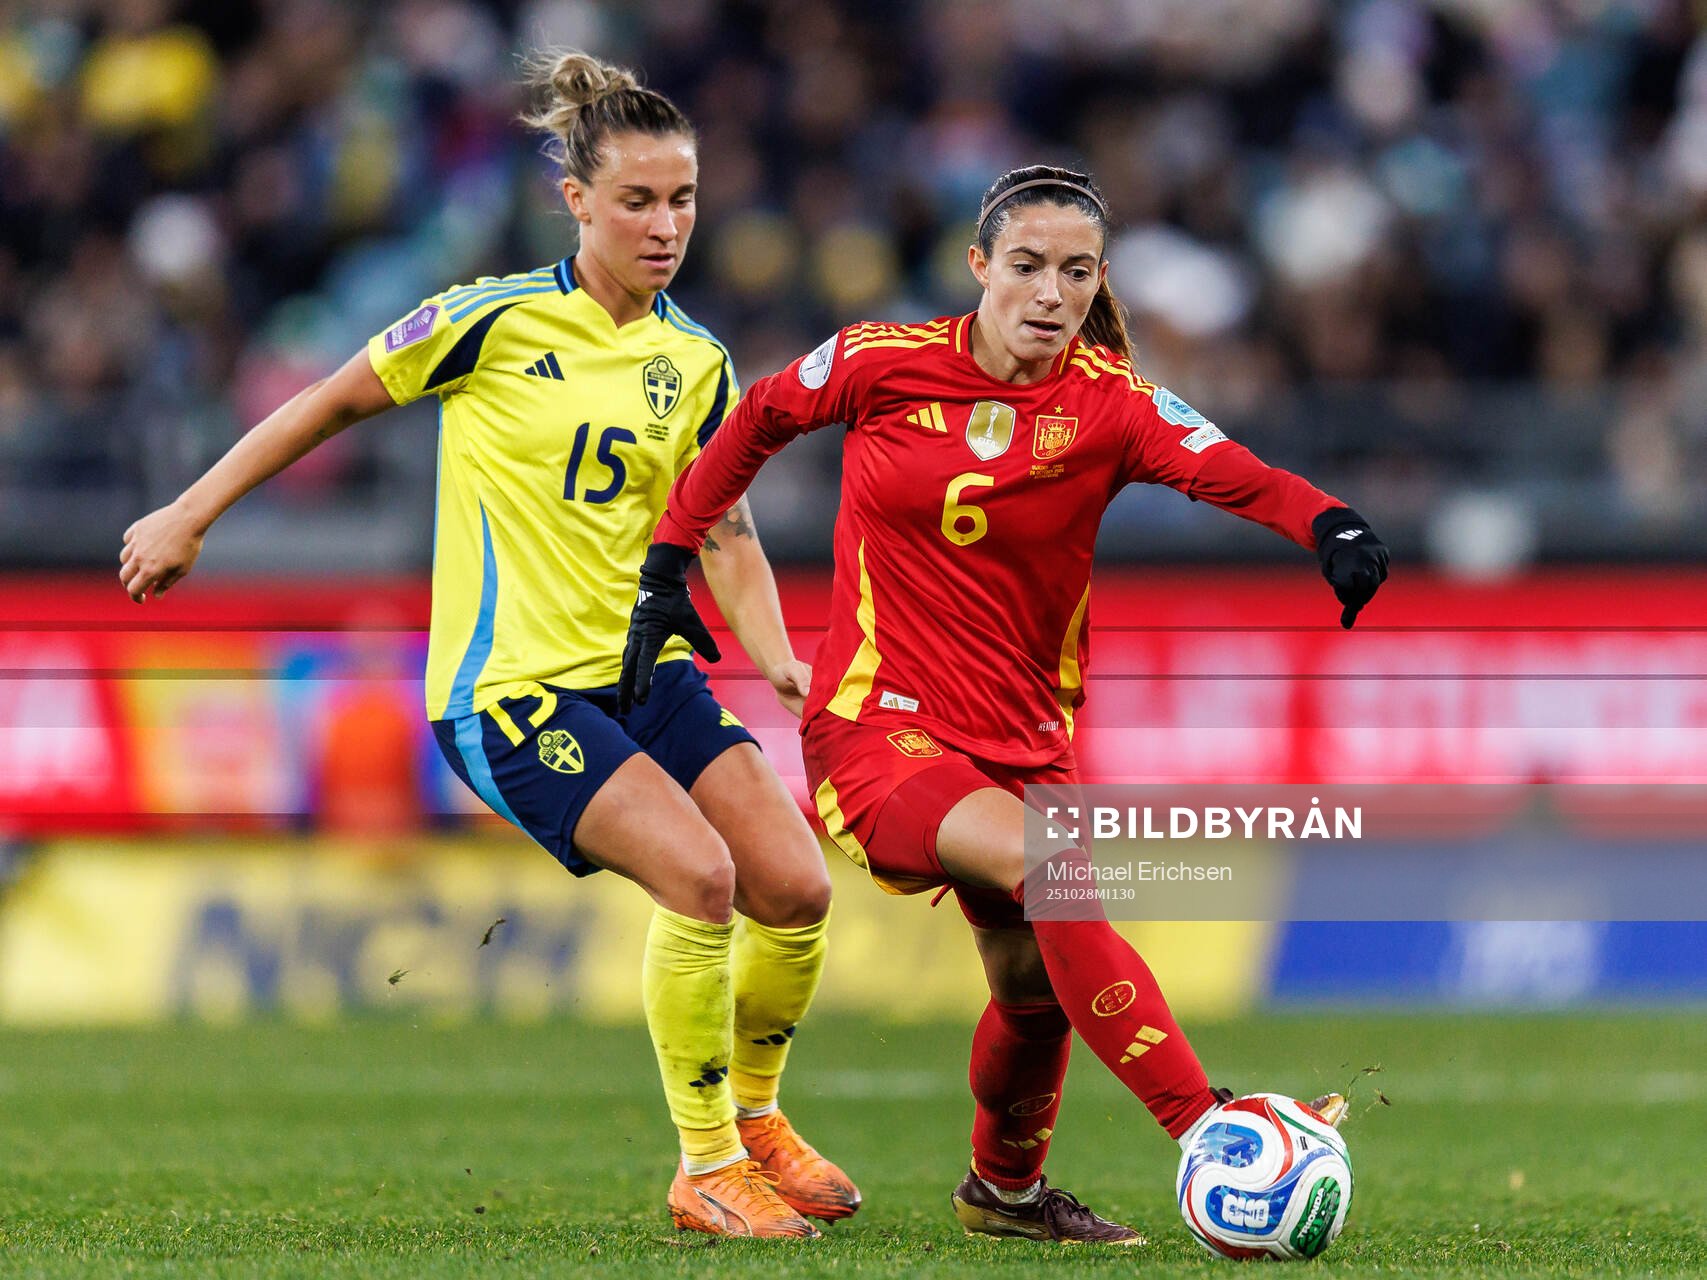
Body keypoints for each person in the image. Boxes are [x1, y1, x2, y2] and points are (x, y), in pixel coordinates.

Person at [119, 50, 859, 1241]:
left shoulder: (699, 360)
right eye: (637, 201)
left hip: (645, 673)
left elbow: (725, 528)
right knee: (704, 878)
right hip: (511, 689)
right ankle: (706, 1163)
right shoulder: (488, 319)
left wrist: (776, 656)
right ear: (575, 198)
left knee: (796, 884)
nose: (665, 225)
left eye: (682, 200)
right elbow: (329, 400)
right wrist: (190, 511)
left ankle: (760, 1120)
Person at [622, 164, 1388, 1243]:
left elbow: (1234, 470)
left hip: (1026, 741)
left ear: (1098, 281)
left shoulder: (1110, 403)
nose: (1050, 292)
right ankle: (1209, 1125)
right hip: (878, 729)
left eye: (1076, 272)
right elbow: (752, 421)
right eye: (1026, 266)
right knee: (1054, 863)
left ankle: (1006, 1191)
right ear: (979, 266)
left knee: (1033, 988)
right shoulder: (880, 363)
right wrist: (668, 563)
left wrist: (1331, 525)